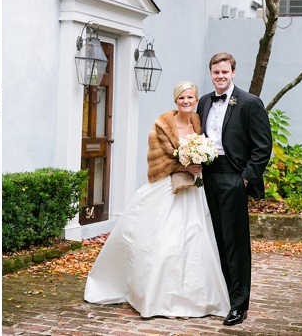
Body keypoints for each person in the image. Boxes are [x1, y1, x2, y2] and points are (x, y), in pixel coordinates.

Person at [84, 81, 229, 319]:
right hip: (168, 188)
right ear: (176, 101)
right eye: (182, 98)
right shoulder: (161, 126)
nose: (186, 101)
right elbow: (156, 160)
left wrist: (200, 161)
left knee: (196, 241)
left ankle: (196, 298)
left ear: (195, 100)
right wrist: (184, 163)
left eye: (190, 98)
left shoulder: (198, 123)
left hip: (193, 190)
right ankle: (160, 297)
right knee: (166, 243)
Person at [197, 52, 272, 326]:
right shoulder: (204, 102)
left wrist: (245, 178)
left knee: (235, 243)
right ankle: (224, 296)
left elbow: (263, 145)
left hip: (234, 177)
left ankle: (239, 305)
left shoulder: (250, 103)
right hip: (208, 177)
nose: (220, 76)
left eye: (224, 72)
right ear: (211, 73)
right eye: (216, 72)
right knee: (216, 239)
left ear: (233, 73)